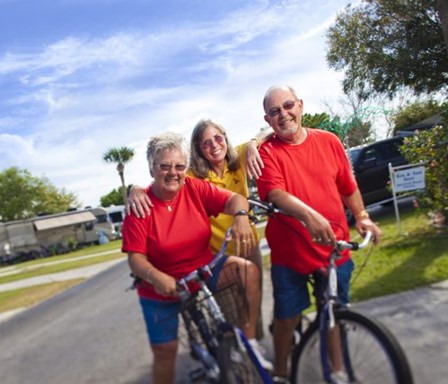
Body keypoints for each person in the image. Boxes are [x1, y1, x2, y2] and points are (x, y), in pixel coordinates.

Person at [256, 85, 383, 384]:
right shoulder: (266, 151)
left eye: (288, 106)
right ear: (267, 118)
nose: (283, 114)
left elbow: (348, 185)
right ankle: (282, 370)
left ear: (300, 105)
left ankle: (337, 372)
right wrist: (309, 215)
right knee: (287, 317)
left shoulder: (329, 141)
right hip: (291, 255)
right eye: (274, 111)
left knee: (333, 313)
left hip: (333, 249)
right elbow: (274, 192)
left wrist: (362, 216)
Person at [121, 132, 272, 384]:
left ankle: (248, 343)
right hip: (161, 288)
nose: (173, 172)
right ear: (151, 169)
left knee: (247, 271)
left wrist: (241, 216)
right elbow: (135, 259)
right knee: (165, 353)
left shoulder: (193, 187)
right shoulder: (141, 206)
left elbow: (234, 199)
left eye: (179, 166)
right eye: (164, 166)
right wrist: (155, 276)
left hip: (201, 272)